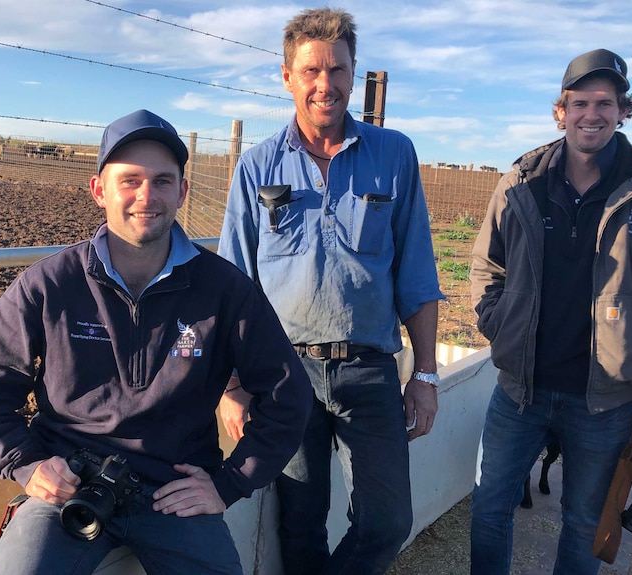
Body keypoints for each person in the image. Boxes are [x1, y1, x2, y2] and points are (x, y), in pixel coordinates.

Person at [0, 109, 312, 575]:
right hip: (71, 487)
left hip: (175, 492)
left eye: (163, 181)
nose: (147, 196)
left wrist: (227, 485)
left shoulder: (225, 289)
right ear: (99, 190)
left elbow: (288, 394)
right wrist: (27, 464)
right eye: (130, 180)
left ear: (183, 191)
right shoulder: (49, 285)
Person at [216, 8, 444, 575]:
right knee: (300, 523)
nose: (326, 84)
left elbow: (416, 275)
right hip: (284, 374)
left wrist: (427, 373)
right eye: (311, 70)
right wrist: (232, 383)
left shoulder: (394, 155)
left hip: (369, 369)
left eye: (337, 69)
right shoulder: (257, 165)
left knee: (387, 520)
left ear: (353, 72)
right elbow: (233, 283)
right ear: (288, 77)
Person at [469, 49, 632, 574]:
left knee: (584, 522)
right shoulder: (521, 182)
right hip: (519, 391)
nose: (590, 114)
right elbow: (487, 268)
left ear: (623, 111)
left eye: (605, 103)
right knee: (488, 508)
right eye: (579, 103)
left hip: (607, 402)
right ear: (561, 110)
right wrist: (500, 328)